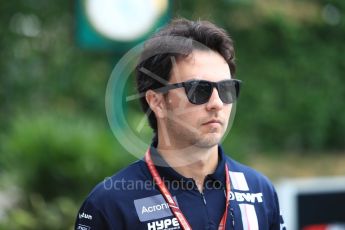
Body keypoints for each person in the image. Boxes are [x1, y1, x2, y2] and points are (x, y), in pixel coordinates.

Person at [75, 18, 285, 230]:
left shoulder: (260, 190)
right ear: (156, 102)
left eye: (226, 89)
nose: (217, 103)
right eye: (198, 90)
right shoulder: (109, 205)